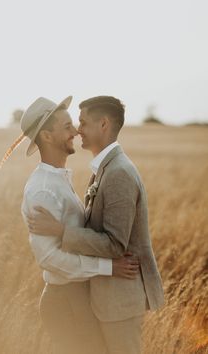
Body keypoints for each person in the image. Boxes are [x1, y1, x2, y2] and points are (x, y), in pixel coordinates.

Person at [0, 95, 141, 354]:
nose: (75, 131)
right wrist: (108, 267)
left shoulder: (58, 180)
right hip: (65, 301)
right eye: (67, 127)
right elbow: (50, 259)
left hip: (78, 298)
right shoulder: (43, 190)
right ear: (47, 136)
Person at [28, 96, 164, 354]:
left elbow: (114, 244)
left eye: (82, 122)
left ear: (103, 124)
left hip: (119, 302)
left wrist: (61, 231)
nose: (78, 130)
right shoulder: (105, 168)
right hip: (106, 301)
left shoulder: (118, 173)